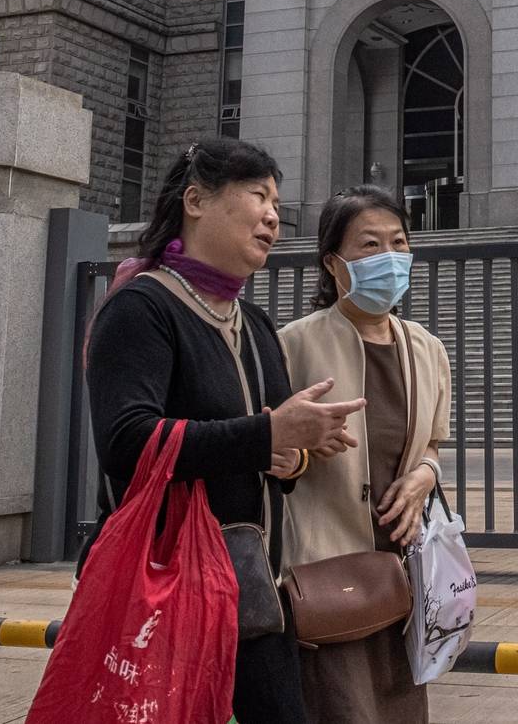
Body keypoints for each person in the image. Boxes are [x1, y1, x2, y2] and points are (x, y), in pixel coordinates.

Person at [85, 138, 364, 724]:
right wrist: (267, 436)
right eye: (258, 195)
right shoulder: (141, 308)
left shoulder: (255, 322)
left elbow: (270, 442)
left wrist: (294, 455)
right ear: (196, 201)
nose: (272, 215)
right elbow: (126, 444)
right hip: (165, 589)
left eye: (276, 202)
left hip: (254, 593)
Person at [280, 186, 452, 724]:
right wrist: (296, 449)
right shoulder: (292, 344)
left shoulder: (425, 347)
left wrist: (426, 472)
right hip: (326, 573)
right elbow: (266, 447)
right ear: (334, 263)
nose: (390, 258)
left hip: (405, 573)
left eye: (398, 243)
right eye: (370, 245)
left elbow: (432, 440)